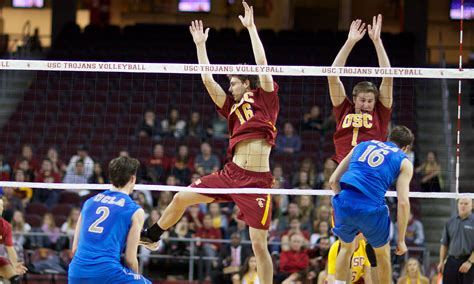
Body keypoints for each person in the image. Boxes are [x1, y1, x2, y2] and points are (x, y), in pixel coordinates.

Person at [141, 2, 278, 283]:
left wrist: (251, 28)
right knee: (180, 198)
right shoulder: (230, 108)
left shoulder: (265, 98)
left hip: (257, 182)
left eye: (234, 83)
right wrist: (200, 45)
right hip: (232, 174)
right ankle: (153, 235)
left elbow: (263, 65)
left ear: (247, 84)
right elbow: (207, 78)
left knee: (259, 246)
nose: (230, 86)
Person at [329, 126, 415, 284]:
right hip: (371, 209)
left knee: (346, 248)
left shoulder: (362, 145)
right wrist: (401, 240)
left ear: (388, 138)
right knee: (383, 255)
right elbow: (403, 203)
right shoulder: (404, 161)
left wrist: (342, 203)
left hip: (344, 201)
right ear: (406, 148)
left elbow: (333, 181)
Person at [68, 156, 151, 284]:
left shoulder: (88, 203)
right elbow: (130, 259)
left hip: (76, 272)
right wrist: (135, 276)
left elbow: (75, 249)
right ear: (133, 178)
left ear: (110, 178)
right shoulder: (135, 210)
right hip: (107, 272)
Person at [327, 15, 393, 164]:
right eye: (362, 100)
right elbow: (332, 76)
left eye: (370, 101)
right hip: (344, 166)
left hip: (369, 167)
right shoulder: (344, 109)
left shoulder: (380, 113)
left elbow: (388, 77)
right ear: (354, 99)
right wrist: (350, 42)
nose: (366, 104)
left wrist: (377, 42)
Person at [437, 197, 473, 284]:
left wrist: (469, 262)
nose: (463, 206)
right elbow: (444, 243)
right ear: (457, 205)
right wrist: (441, 261)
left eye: (466, 204)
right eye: (461, 203)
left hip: (469, 261)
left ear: (472, 205)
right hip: (451, 261)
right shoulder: (450, 221)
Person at [0, 199, 27, 283]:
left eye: (1, 206)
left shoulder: (6, 226)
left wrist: (15, 263)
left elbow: (10, 249)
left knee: (15, 279)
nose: (1, 208)